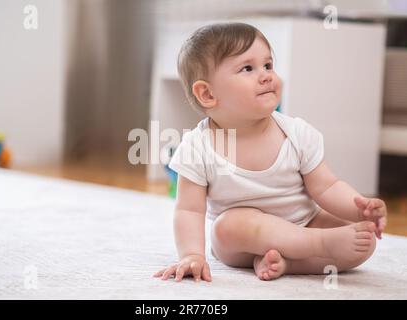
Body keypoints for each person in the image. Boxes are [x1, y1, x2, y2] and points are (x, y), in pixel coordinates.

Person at [153, 22, 387, 282]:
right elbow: (189, 211)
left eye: (268, 65)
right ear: (207, 94)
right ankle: (316, 244)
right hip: (243, 243)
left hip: (304, 222)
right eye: (247, 68)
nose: (266, 75)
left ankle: (288, 262)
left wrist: (359, 209)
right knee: (225, 228)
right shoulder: (197, 147)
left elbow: (327, 187)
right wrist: (192, 255)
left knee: (363, 240)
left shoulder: (296, 133)